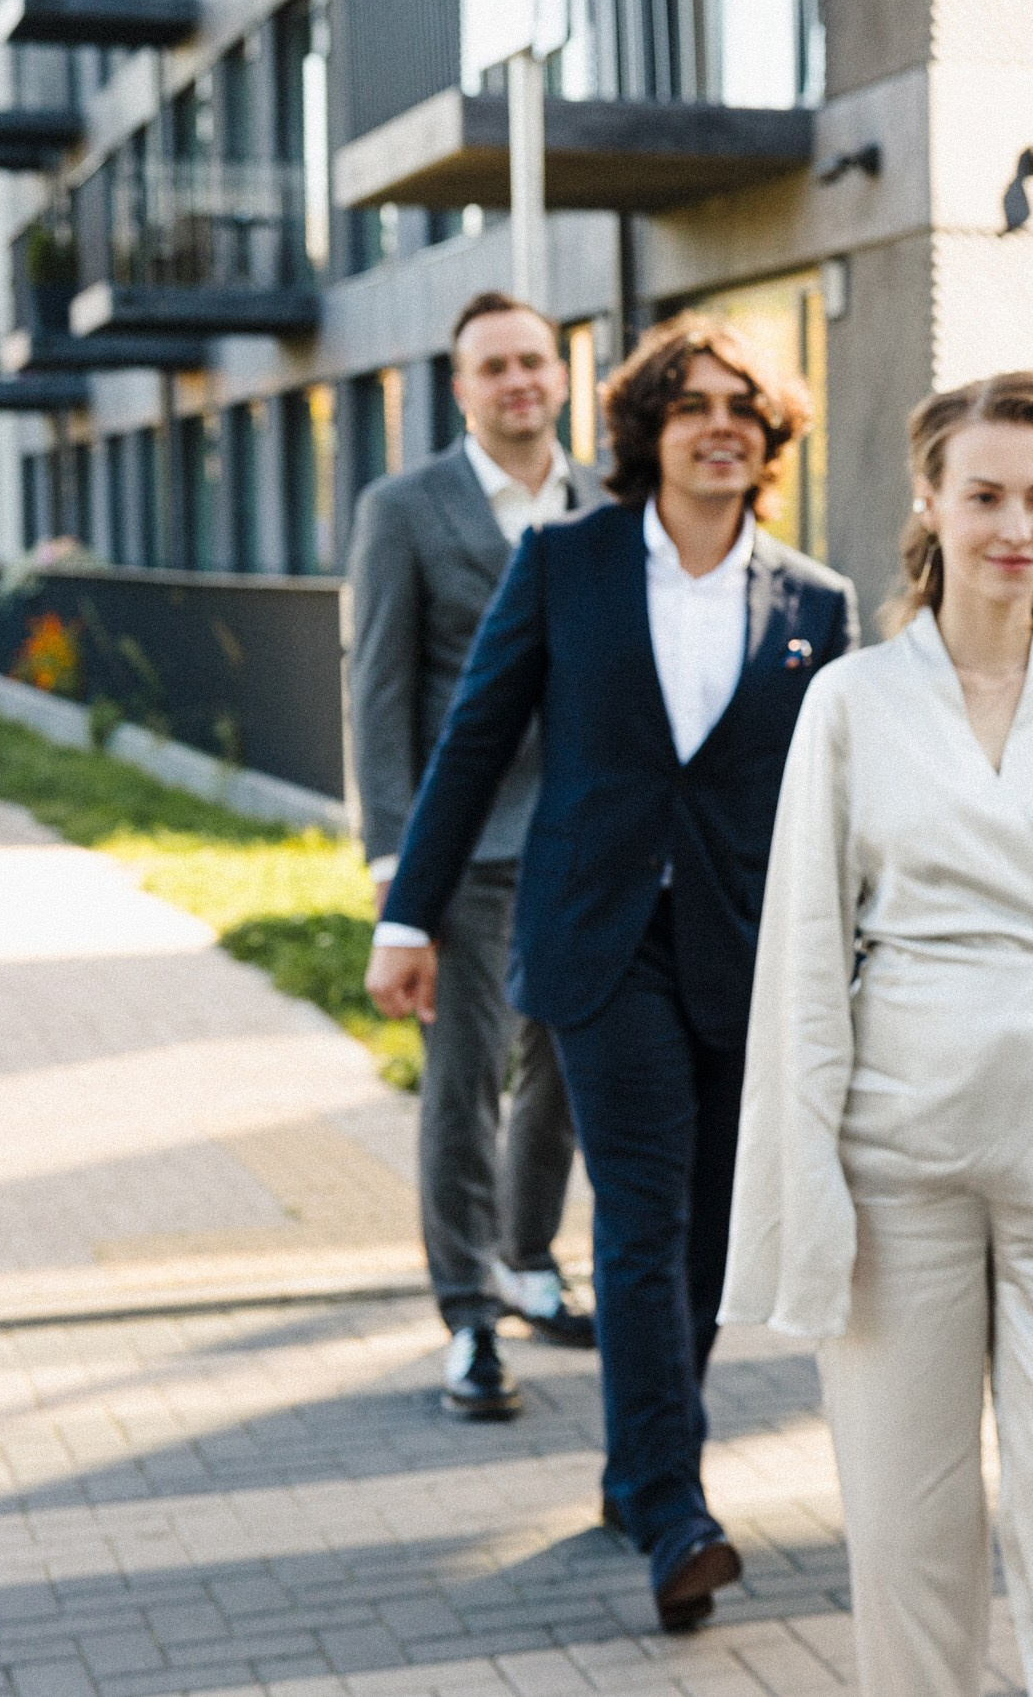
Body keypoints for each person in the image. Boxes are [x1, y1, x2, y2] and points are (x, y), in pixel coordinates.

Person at [718, 371, 1033, 1695]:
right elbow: (805, 957)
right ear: (931, 501)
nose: (1017, 524)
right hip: (897, 1163)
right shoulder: (852, 700)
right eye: (988, 494)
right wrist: (807, 1175)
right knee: (908, 1522)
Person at [366, 313, 857, 1633]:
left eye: (742, 411)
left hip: (739, 948)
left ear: (769, 439)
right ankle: (680, 1507)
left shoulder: (816, 603)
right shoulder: (568, 560)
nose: (719, 427)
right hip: (598, 939)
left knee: (701, 1234)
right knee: (641, 1212)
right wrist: (406, 916)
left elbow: (836, 803)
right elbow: (471, 744)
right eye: (692, 405)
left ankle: (635, 1471)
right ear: (649, 429)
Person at [348, 291, 606, 1419]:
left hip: (593, 845)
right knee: (465, 1086)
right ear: (460, 388)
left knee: (565, 1074)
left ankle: (531, 1258)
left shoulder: (609, 502)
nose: (518, 383)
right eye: (493, 367)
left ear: (562, 375)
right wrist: (397, 877)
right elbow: (380, 693)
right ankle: (466, 1317)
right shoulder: (405, 508)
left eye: (535, 362)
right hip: (470, 854)